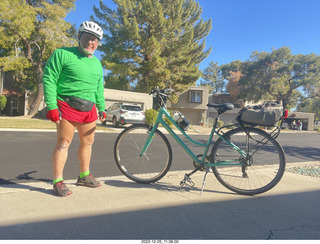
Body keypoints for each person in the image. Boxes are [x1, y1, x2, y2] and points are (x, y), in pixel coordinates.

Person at [43, 21, 106, 197]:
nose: (90, 42)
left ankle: (84, 176)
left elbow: (98, 87)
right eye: (87, 38)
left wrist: (101, 106)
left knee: (88, 143)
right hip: (66, 104)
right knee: (63, 143)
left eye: (94, 40)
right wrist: (52, 106)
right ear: (79, 37)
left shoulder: (97, 64)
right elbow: (49, 79)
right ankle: (58, 181)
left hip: (89, 108)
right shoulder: (62, 54)